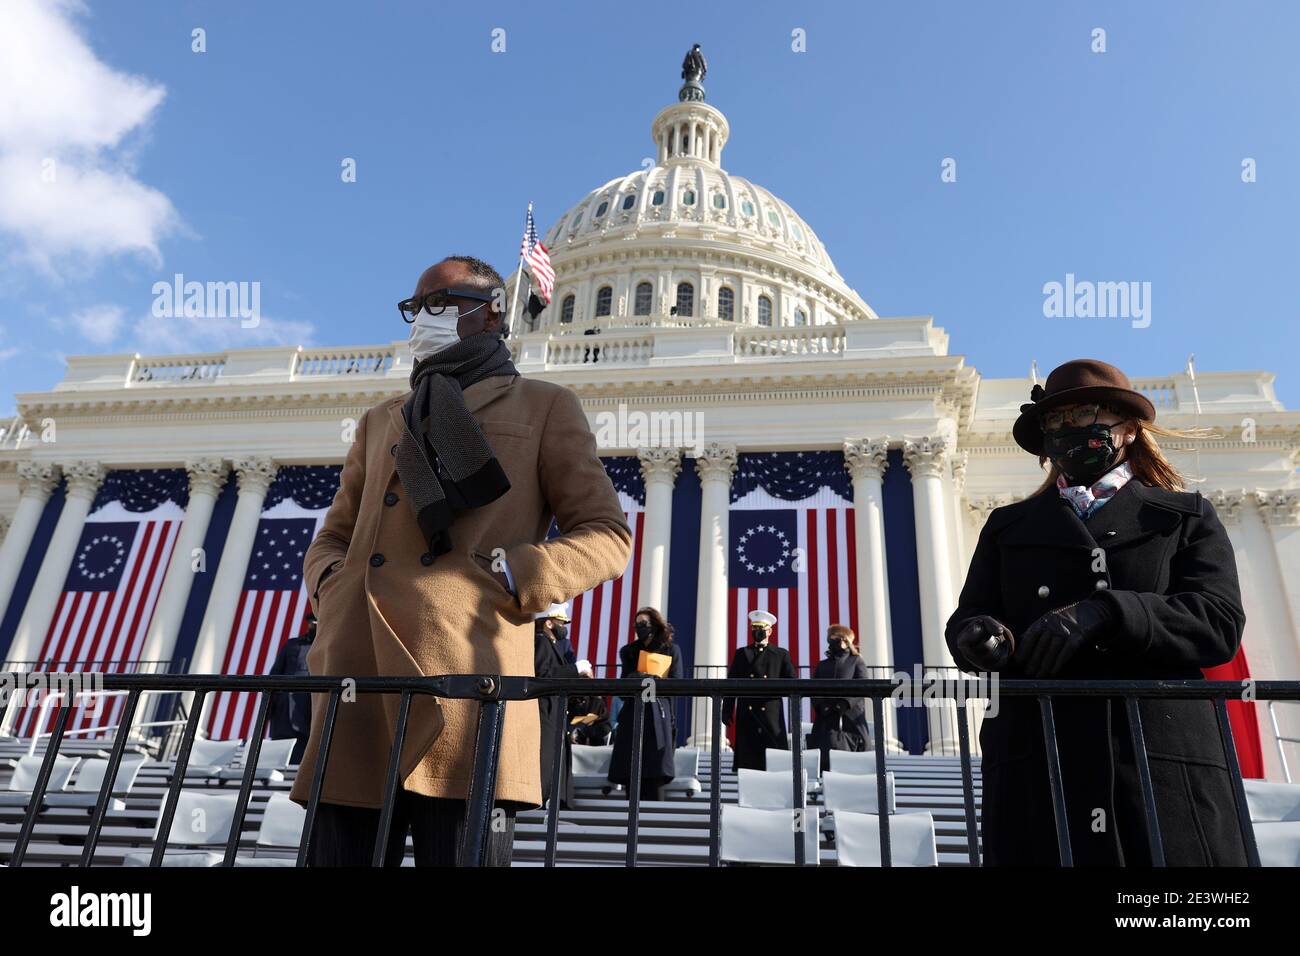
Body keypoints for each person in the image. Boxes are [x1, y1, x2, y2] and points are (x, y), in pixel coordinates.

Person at [289, 256, 632, 867]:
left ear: (491, 311)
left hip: (468, 682)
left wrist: (515, 575)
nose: (423, 319)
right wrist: (332, 587)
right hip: (359, 678)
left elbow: (606, 534)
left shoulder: (543, 406)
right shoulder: (381, 420)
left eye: (440, 304)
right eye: (415, 307)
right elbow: (332, 536)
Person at [946, 358, 1248, 866]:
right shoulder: (1007, 526)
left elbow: (1217, 623)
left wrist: (1109, 613)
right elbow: (970, 615)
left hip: (1155, 757)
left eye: (1083, 415)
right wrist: (979, 636)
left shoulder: (1182, 517)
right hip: (1039, 757)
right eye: (1055, 423)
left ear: (1127, 429)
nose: (1067, 432)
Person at [608, 607, 682, 799]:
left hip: (658, 715)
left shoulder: (670, 649)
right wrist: (636, 677)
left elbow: (677, 683)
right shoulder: (629, 652)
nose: (639, 627)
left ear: (654, 625)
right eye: (637, 624)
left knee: (654, 770)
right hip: (634, 715)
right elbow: (623, 687)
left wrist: (653, 679)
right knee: (631, 768)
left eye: (644, 624)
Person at [722, 610, 796, 771]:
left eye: (761, 628)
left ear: (770, 631)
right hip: (747, 713)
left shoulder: (780, 654)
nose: (757, 632)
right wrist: (727, 710)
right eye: (754, 628)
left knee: (774, 759)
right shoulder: (742, 653)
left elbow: (792, 683)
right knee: (749, 761)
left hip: (770, 712)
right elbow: (731, 683)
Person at [534, 602, 591, 808]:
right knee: (546, 767)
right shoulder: (541, 642)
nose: (564, 626)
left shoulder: (553, 646)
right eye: (561, 622)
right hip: (545, 713)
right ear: (548, 623)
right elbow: (543, 676)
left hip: (556, 715)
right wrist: (575, 669)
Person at [808, 624, 871, 772]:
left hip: (850, 719)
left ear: (844, 639)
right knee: (824, 759)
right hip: (825, 720)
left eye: (835, 636)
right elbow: (813, 689)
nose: (831, 640)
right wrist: (821, 705)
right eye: (830, 637)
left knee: (853, 762)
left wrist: (844, 703)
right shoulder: (822, 665)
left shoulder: (856, 661)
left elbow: (862, 685)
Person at [266, 610, 316, 764]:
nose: (313, 625)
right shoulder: (292, 644)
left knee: (302, 759)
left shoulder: (328, 648)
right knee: (276, 760)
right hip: (284, 711)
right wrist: (268, 707)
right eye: (311, 622)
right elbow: (275, 674)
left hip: (309, 712)